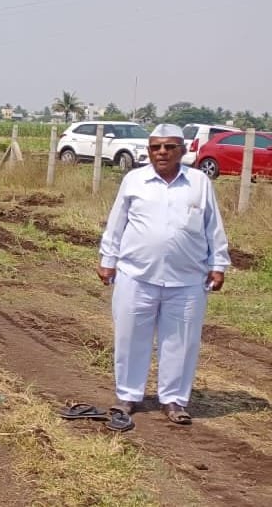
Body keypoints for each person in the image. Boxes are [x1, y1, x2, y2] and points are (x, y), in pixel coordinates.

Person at [97, 123, 230, 427]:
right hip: (136, 275)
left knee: (181, 342)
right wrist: (108, 259)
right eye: (156, 147)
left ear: (182, 150)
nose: (162, 152)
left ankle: (174, 399)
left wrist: (218, 264)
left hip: (187, 280)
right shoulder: (134, 180)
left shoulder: (199, 183)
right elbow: (116, 223)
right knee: (130, 337)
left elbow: (213, 227)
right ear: (149, 150)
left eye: (169, 147)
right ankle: (128, 395)